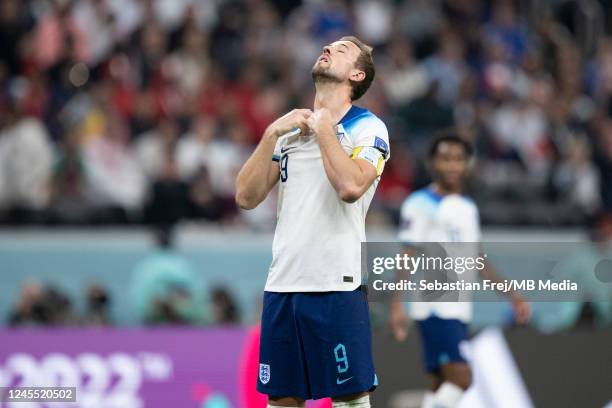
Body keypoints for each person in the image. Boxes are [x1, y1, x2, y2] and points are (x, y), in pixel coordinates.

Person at [236, 36, 390, 408]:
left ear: (356, 74)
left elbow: (351, 186)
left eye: (341, 49)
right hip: (283, 284)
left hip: (336, 283)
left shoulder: (369, 128)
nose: (328, 49)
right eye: (328, 46)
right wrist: (273, 132)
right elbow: (245, 196)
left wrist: (324, 127)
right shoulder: (288, 130)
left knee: (349, 399)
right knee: (282, 400)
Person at [389, 133, 531, 408]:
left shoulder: (467, 207)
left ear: (466, 164)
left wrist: (512, 295)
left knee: (440, 384)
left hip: (458, 307)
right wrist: (397, 304)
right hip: (435, 307)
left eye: (457, 159)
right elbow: (408, 254)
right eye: (445, 158)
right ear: (433, 163)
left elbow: (477, 260)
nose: (451, 166)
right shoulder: (419, 203)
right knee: (462, 378)